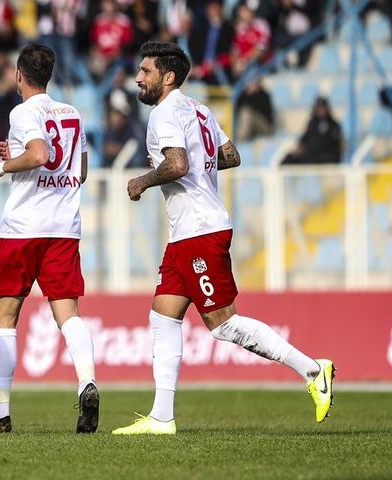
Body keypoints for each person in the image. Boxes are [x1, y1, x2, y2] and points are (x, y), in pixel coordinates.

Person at [113, 41, 334, 435]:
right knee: (162, 318)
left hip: (199, 230)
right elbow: (231, 155)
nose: (137, 79)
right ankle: (162, 417)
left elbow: (177, 164)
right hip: (189, 231)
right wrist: (201, 163)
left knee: (223, 326)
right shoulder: (199, 109)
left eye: (145, 72)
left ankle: (314, 370)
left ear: (167, 77)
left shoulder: (164, 114)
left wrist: (142, 181)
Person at [0, 43, 99, 434]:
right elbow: (79, 166)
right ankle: (87, 382)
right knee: (68, 312)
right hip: (63, 227)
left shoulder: (23, 111)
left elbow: (41, 154)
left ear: (18, 75)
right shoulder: (71, 112)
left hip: (24, 229)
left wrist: (1, 166)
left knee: (5, 315)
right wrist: (20, 156)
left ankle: (0, 410)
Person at [282, 96, 342, 165]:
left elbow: (330, 144)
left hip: (325, 156)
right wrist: (300, 147)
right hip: (311, 154)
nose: (321, 110)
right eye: (319, 107)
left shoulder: (333, 125)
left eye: (323, 107)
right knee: (289, 158)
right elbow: (305, 137)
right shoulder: (312, 123)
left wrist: (309, 149)